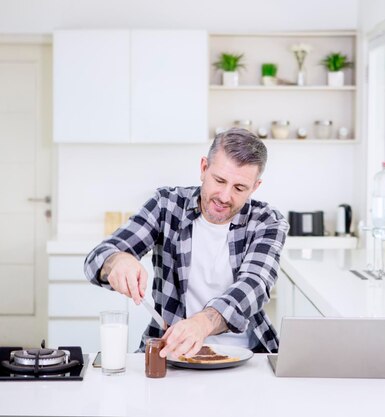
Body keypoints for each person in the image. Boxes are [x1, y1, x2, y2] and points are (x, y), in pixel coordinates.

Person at [84, 128, 289, 359]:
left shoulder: (267, 222)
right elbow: (97, 258)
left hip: (247, 355)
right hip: (170, 353)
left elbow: (255, 284)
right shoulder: (167, 206)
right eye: (219, 180)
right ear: (204, 168)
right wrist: (117, 261)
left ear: (255, 187)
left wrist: (202, 324)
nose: (224, 196)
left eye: (239, 188)